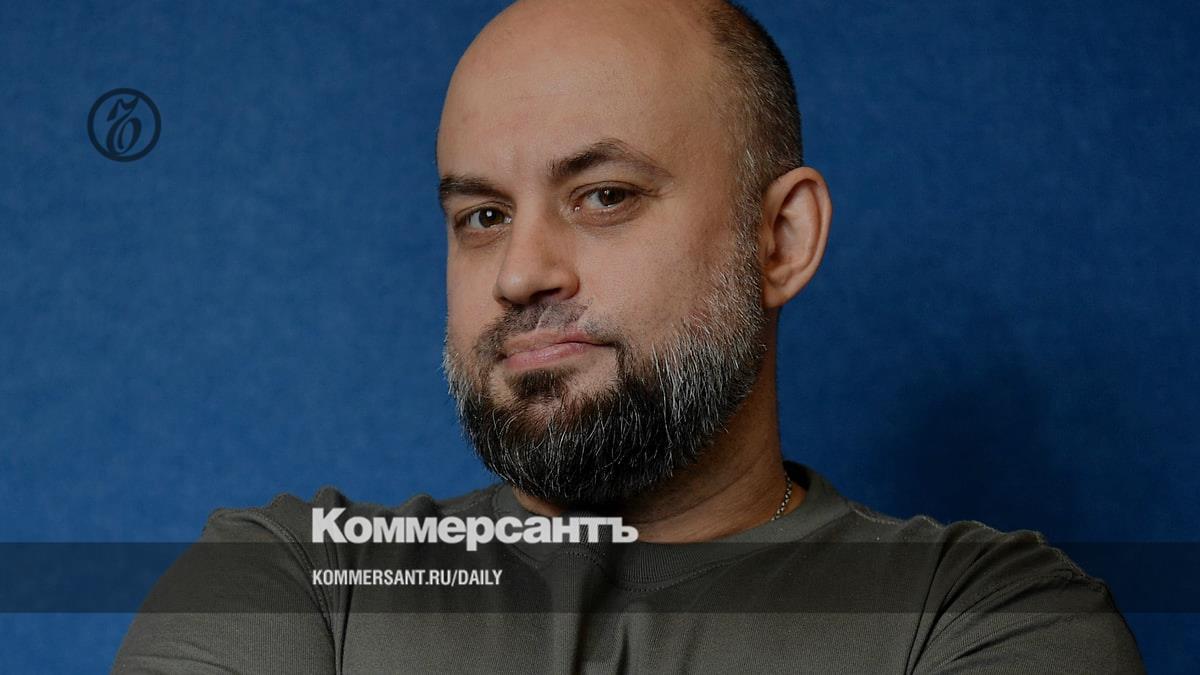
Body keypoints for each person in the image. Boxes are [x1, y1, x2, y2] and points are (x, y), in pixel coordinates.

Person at [114, 0, 1144, 672]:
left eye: (604, 195)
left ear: (781, 239)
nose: (520, 273)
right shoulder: (299, 583)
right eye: (482, 215)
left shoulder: (985, 620)